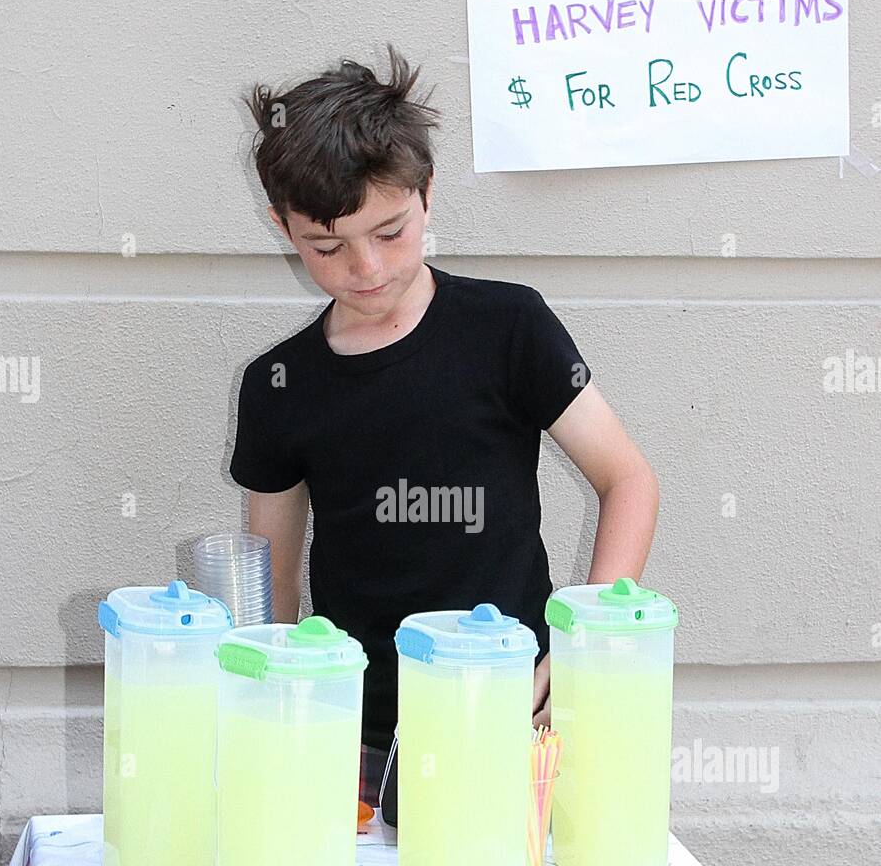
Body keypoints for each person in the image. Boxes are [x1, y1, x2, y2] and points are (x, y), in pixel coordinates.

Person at [230, 44, 659, 824]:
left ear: (427, 194)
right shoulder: (277, 386)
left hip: (511, 719)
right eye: (326, 247)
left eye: (390, 232)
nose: (364, 267)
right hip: (353, 735)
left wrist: (576, 645)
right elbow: (275, 591)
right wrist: (272, 717)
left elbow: (628, 480)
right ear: (282, 226)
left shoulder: (509, 327)